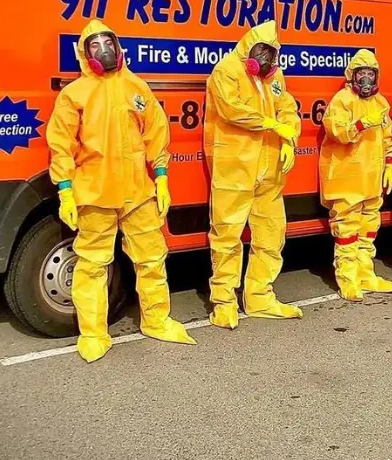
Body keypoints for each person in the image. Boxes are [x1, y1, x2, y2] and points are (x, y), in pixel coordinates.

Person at [46, 19, 196, 363]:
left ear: (119, 47)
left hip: (138, 192)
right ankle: (94, 332)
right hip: (95, 193)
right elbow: (61, 145)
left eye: (108, 43)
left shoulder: (136, 88)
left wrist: (160, 176)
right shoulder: (74, 95)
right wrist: (65, 190)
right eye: (95, 46)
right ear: (85, 54)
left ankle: (157, 319)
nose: (104, 51)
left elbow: (156, 132)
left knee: (151, 259)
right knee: (93, 263)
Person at [204, 20, 303, 329]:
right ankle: (224, 301)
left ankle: (260, 296)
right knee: (227, 235)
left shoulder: (274, 78)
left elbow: (287, 108)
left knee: (271, 234)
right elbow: (232, 109)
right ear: (248, 46)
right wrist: (273, 125)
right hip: (234, 166)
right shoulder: (227, 71)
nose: (264, 58)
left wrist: (289, 137)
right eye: (260, 50)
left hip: (269, 169)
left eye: (270, 52)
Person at [319, 49, 392, 301]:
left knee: (369, 228)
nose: (366, 79)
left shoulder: (381, 103)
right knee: (346, 229)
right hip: (347, 176)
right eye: (361, 73)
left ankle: (365, 274)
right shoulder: (341, 100)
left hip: (372, 177)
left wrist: (390, 165)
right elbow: (337, 132)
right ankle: (348, 279)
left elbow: (388, 137)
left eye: (371, 73)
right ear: (352, 75)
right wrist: (362, 123)